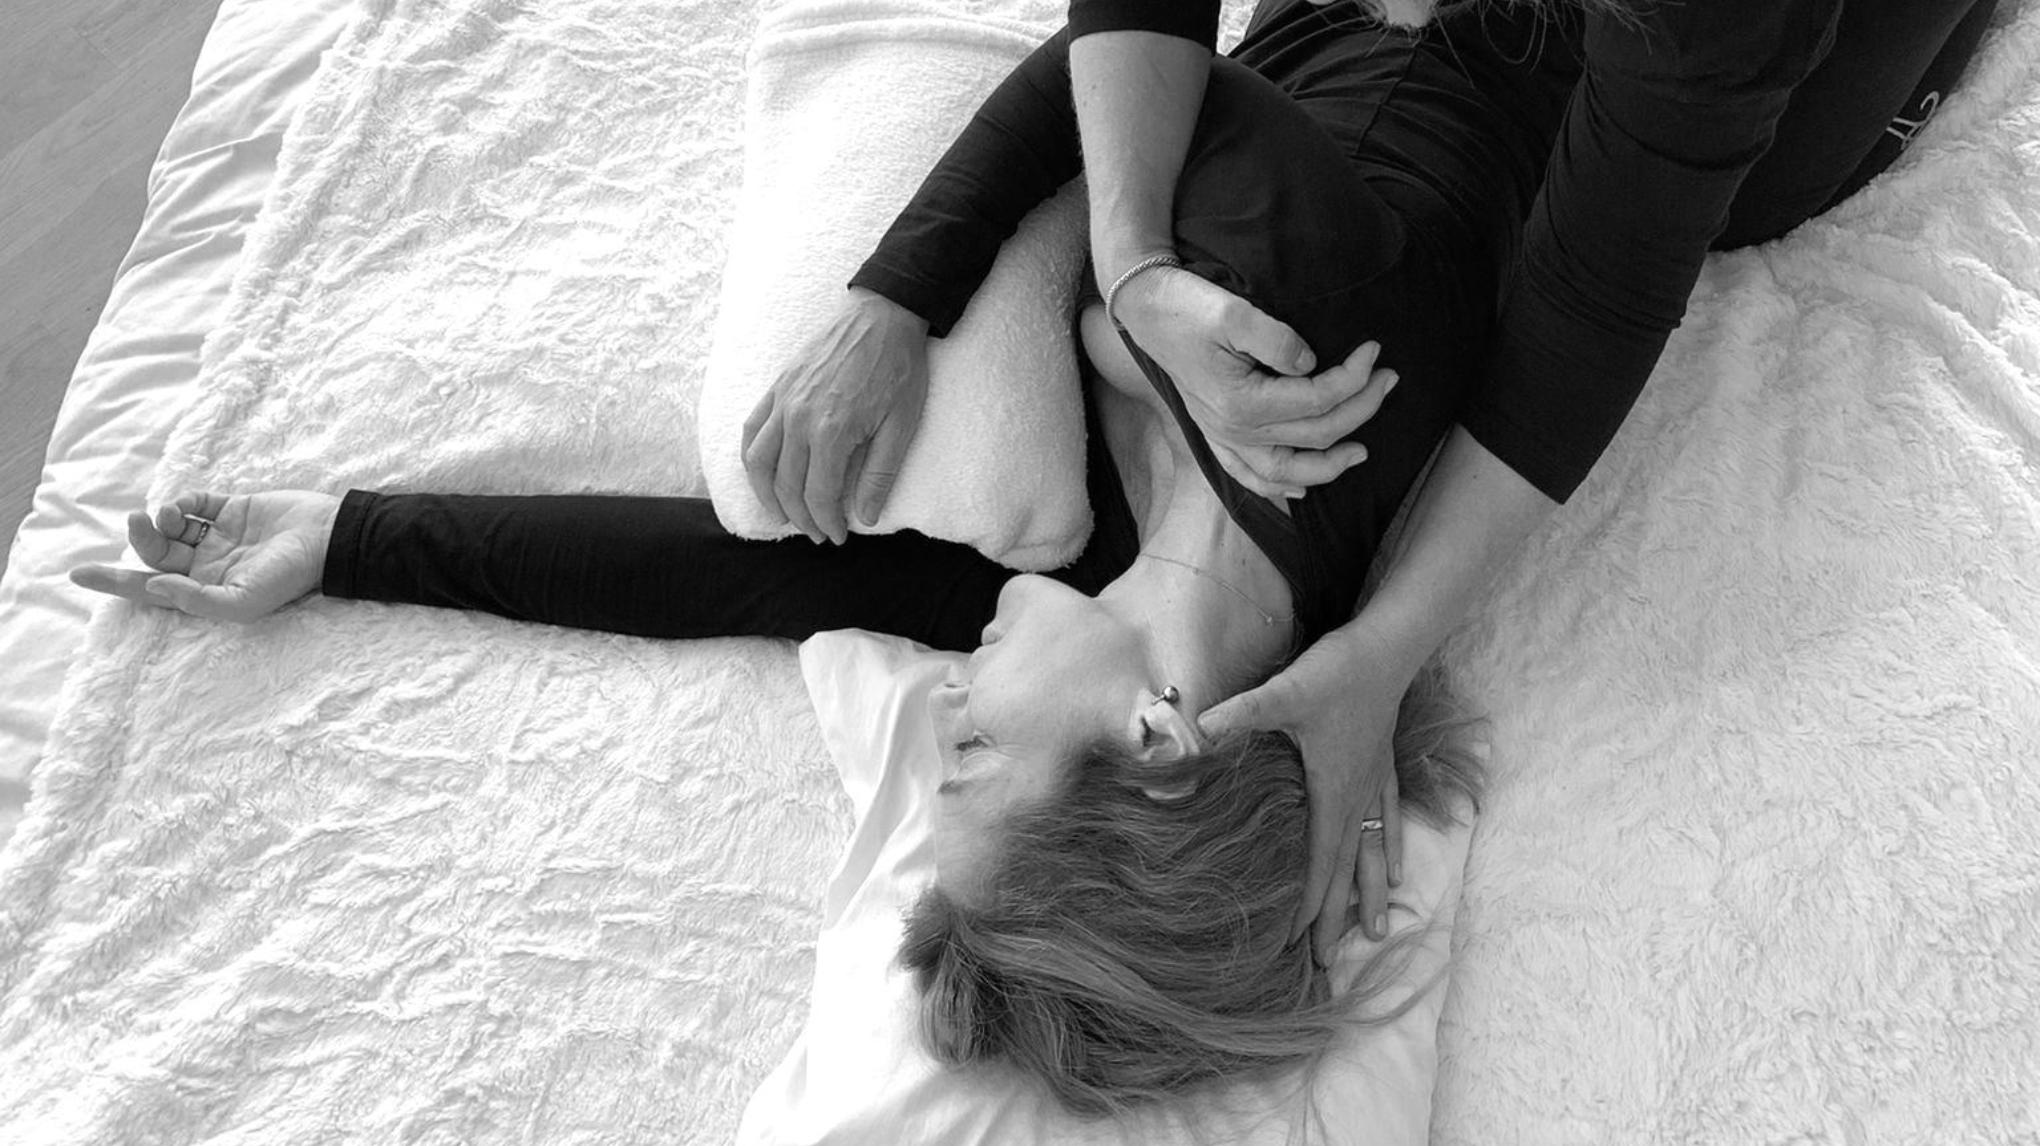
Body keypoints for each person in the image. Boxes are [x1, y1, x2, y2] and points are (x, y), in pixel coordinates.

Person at [72, 4, 1576, 1116]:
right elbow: (1105, 60)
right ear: (1158, 740)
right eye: (974, 754)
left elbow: (743, 577)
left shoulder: (1099, 567)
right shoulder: (1303, 364)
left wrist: (345, 538)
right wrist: (894, 306)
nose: (945, 702)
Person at [1049, 0, 2004, 965]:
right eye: (978, 750)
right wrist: (1123, 268)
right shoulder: (1105, 548)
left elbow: (1603, 291)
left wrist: (1387, 645)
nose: (969, 694)